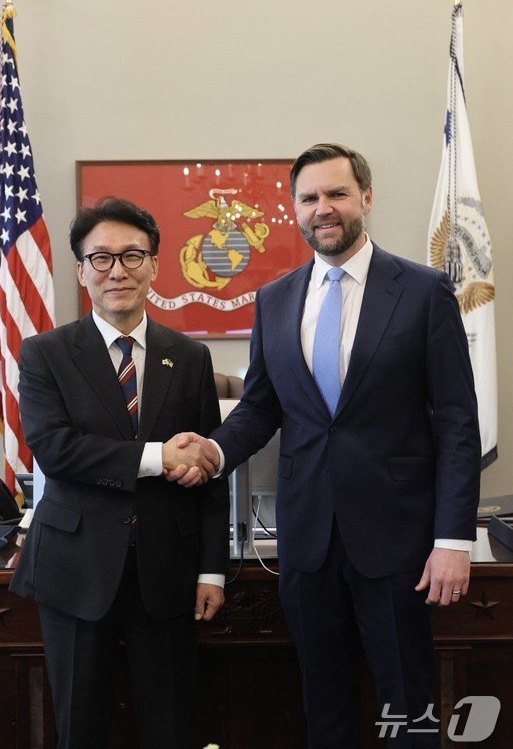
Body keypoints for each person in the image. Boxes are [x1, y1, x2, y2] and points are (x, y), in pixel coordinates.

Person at [179, 144, 481, 748]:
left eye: (337, 194)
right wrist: (212, 451)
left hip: (398, 543)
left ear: (365, 199)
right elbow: (263, 406)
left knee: (408, 703)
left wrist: (453, 540)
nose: (324, 208)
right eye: (310, 197)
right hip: (307, 541)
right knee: (325, 704)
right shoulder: (275, 299)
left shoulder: (424, 292)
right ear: (294, 209)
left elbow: (456, 422)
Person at [10, 197, 228, 749]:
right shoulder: (44, 354)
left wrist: (212, 571)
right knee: (79, 726)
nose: (118, 271)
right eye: (101, 259)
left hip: (169, 574)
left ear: (155, 264)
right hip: (75, 569)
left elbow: (209, 469)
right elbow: (55, 450)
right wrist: (160, 458)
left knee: (169, 726)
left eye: (133, 256)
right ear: (82, 271)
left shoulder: (190, 356)